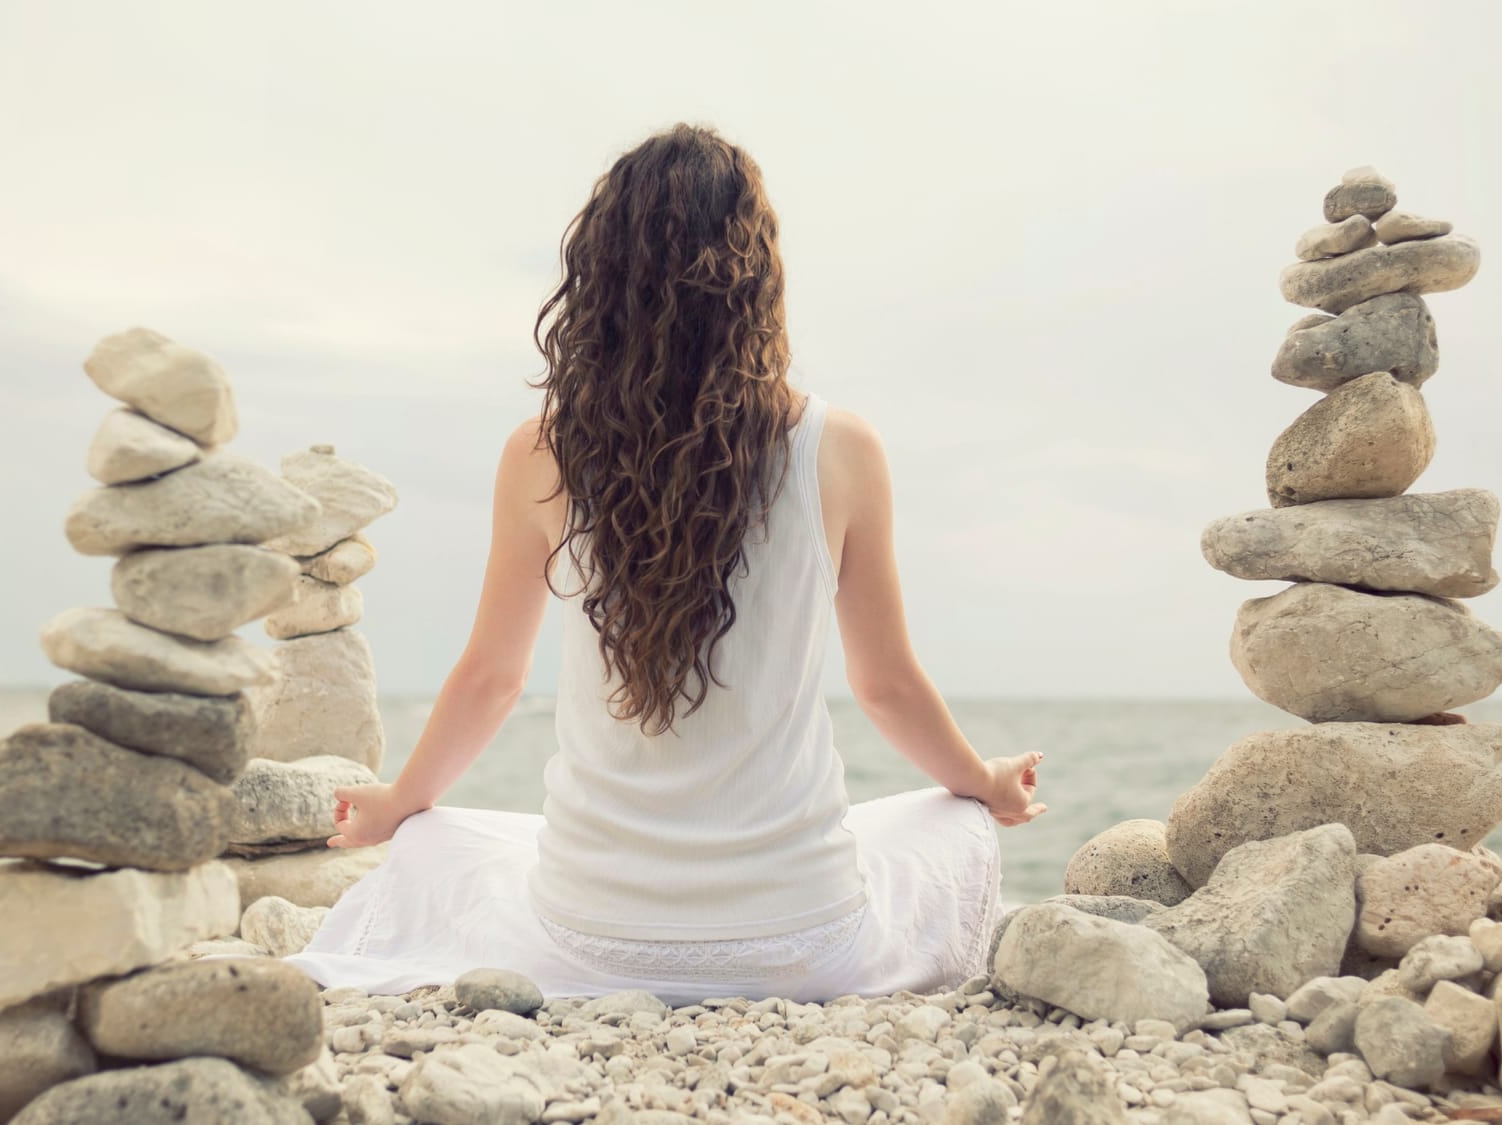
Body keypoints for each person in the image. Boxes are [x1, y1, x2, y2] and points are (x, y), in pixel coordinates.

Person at [285, 122, 1046, 1005]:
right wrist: (983, 782)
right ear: (758, 278)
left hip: (591, 936)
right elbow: (885, 687)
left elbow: (492, 676)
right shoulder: (840, 447)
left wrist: (398, 799)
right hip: (802, 940)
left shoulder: (540, 453)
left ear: (601, 281)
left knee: (436, 839)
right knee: (948, 821)